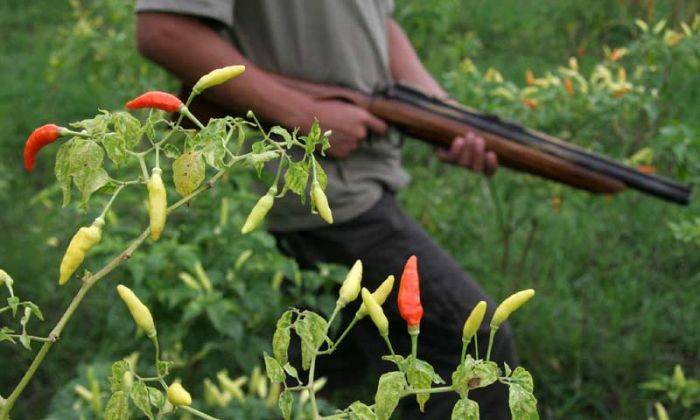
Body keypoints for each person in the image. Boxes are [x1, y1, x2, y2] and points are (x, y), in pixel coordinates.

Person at [135, 1, 516, 418]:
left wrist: (439, 112)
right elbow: (164, 29)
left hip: (354, 184)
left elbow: (375, 21)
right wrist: (305, 114)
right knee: (476, 351)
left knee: (322, 384)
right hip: (302, 187)